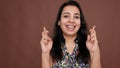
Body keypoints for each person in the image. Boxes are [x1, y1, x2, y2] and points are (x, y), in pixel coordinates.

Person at [40, 0, 101, 68]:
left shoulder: (90, 45)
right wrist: (45, 53)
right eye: (66, 16)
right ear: (59, 22)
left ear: (80, 23)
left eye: (76, 17)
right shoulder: (50, 47)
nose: (71, 20)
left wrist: (94, 52)